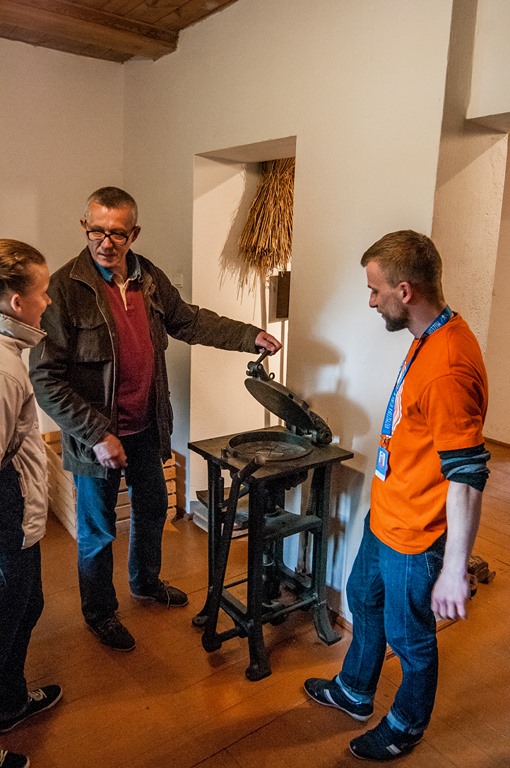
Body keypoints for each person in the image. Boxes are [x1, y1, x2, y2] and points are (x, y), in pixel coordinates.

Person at [29, 187, 281, 653]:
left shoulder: (148, 278)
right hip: (96, 438)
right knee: (98, 531)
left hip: (146, 426)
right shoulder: (64, 289)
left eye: (117, 233)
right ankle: (100, 613)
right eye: (96, 231)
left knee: (153, 510)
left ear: (134, 233)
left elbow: (190, 321)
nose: (106, 242)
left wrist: (250, 336)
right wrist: (96, 433)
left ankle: (145, 583)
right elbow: (45, 378)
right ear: (84, 227)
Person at [304, 230, 490, 761]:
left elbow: (468, 474)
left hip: (416, 534)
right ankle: (355, 691)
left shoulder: (449, 364)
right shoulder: (429, 336)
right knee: (364, 598)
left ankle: (406, 724)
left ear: (404, 291)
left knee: (410, 637)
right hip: (387, 514)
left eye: (374, 289)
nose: (370, 301)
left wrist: (454, 568)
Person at [0, 239, 63, 766]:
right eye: (42, 293)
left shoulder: (10, 354)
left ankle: (10, 700)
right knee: (9, 615)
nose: (48, 302)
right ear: (16, 302)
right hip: (7, 517)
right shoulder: (4, 368)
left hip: (16, 514)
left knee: (28, 602)